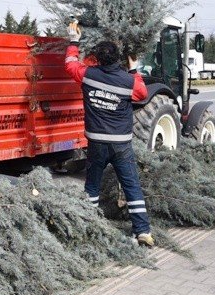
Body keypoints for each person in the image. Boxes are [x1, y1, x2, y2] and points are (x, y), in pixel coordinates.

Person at [64, 20, 154, 248]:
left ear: (97, 58)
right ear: (117, 59)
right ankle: (142, 232)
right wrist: (133, 68)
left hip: (96, 143)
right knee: (131, 185)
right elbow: (142, 92)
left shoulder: (88, 75)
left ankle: (88, 225)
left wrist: (74, 40)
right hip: (121, 145)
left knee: (92, 186)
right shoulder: (127, 81)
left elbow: (71, 65)